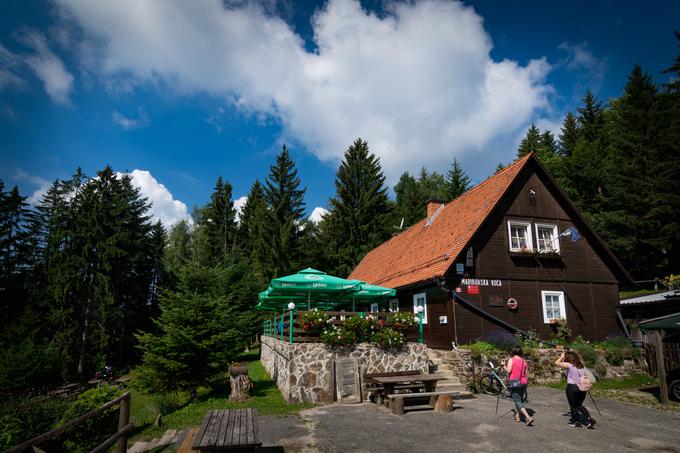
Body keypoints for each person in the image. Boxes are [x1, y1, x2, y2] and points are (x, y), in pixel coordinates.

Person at [554, 351, 596, 429]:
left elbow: (556, 362)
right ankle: (575, 421)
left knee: (575, 405)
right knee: (576, 405)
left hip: (572, 387)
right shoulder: (581, 366)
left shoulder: (569, 365)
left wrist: (561, 357)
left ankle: (589, 419)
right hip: (582, 388)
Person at [505, 346, 533, 426]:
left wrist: (503, 366)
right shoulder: (524, 361)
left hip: (515, 383)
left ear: (513, 352)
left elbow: (508, 370)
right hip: (524, 382)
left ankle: (528, 417)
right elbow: (526, 373)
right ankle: (517, 416)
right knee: (519, 400)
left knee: (517, 400)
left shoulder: (511, 359)